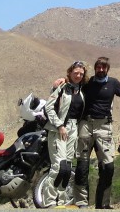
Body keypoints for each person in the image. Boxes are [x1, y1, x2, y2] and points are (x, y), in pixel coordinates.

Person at [73, 57, 120, 209]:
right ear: (95, 68)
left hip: (104, 127)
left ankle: (103, 204)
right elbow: (73, 83)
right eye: (98, 67)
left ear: (108, 69)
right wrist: (61, 81)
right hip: (85, 125)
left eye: (103, 67)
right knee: (82, 165)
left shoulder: (113, 83)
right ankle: (81, 203)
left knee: (108, 166)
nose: (100, 70)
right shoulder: (88, 82)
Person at [39, 60, 87, 207]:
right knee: (58, 166)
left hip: (73, 129)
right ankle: (49, 201)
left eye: (81, 73)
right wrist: (59, 125)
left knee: (66, 167)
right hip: (58, 129)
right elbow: (49, 107)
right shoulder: (62, 87)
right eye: (75, 73)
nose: (78, 75)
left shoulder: (81, 90)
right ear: (70, 73)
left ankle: (60, 201)